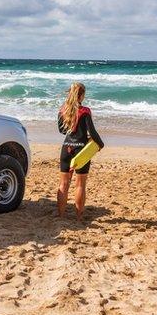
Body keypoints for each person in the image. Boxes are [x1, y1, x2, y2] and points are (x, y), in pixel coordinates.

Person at [57, 82, 105, 220]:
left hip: (66, 148)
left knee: (63, 184)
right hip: (81, 149)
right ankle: (78, 217)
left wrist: (73, 131)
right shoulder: (85, 111)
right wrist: (100, 144)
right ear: (81, 95)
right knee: (80, 185)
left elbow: (61, 130)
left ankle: (60, 215)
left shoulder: (63, 110)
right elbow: (93, 133)